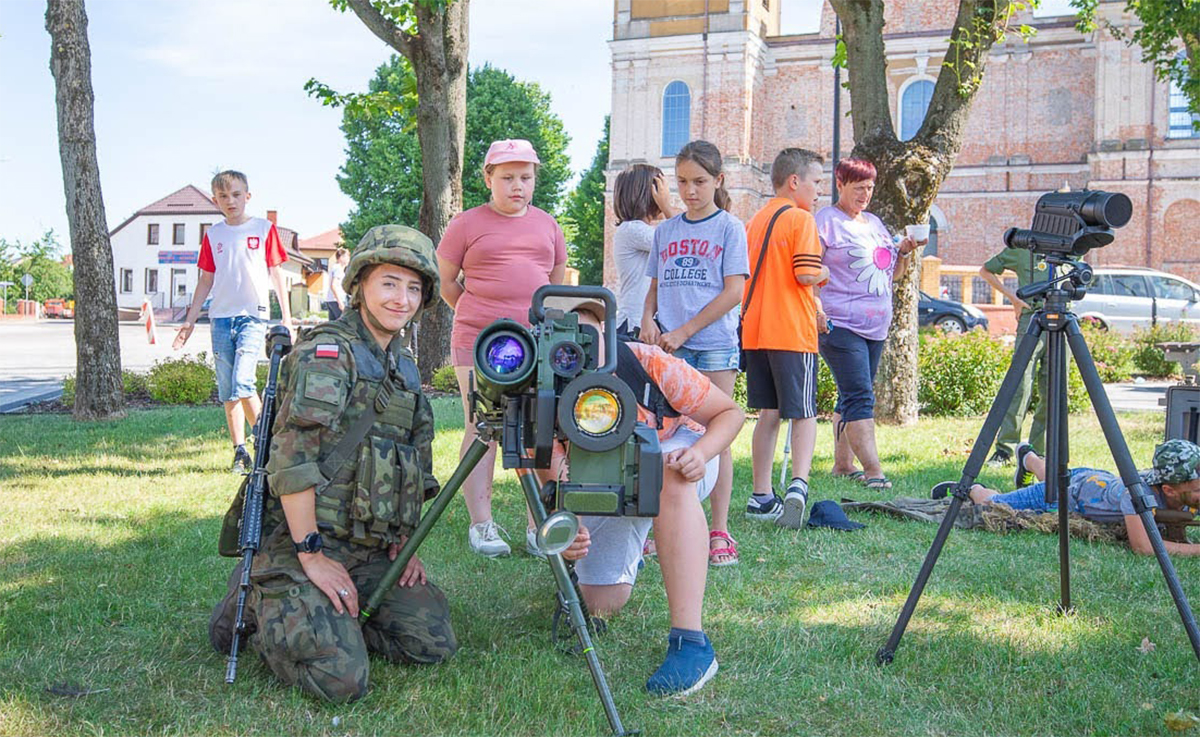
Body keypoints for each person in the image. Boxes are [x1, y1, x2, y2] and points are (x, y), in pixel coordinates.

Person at [208, 225, 457, 702]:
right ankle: (261, 597)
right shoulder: (329, 354)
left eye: (412, 287)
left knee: (432, 642)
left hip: (366, 546)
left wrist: (401, 544)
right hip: (304, 541)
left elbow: (413, 465)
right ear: (361, 283)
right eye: (389, 282)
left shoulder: (403, 367)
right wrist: (312, 555)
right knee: (341, 679)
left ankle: (326, 617)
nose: (401, 299)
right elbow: (293, 458)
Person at [551, 296, 744, 696]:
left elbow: (730, 413)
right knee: (601, 603)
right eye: (566, 335)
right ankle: (639, 545)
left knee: (666, 474)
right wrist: (566, 533)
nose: (582, 348)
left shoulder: (647, 362)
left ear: (607, 335)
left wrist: (700, 455)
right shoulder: (541, 390)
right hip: (605, 480)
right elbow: (547, 492)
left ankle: (691, 643)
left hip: (676, 449)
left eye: (591, 333)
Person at [437, 139, 568, 559]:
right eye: (508, 177)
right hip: (478, 340)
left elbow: (556, 285)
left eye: (525, 178)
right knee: (483, 426)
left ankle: (538, 525)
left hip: (535, 343)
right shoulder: (465, 224)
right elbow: (446, 283)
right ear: (488, 178)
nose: (517, 185)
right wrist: (483, 317)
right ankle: (482, 525)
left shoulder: (548, 225)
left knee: (537, 428)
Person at [640, 140, 749, 566]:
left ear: (718, 181)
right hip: (670, 349)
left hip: (713, 347)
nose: (690, 191)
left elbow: (734, 291)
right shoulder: (665, 231)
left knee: (716, 436)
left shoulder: (729, 228)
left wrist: (686, 330)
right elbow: (653, 287)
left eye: (700, 182)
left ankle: (718, 529)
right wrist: (648, 320)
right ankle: (658, 522)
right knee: (662, 435)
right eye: (682, 182)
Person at [174, 170, 293, 473]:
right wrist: (189, 321)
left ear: (247, 196)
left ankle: (270, 443)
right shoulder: (214, 235)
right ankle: (240, 451)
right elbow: (205, 280)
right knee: (228, 390)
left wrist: (288, 319)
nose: (231, 201)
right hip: (221, 319)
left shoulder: (264, 229)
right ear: (215, 200)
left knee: (243, 382)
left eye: (236, 195)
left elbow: (277, 274)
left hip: (253, 316)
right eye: (224, 196)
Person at [815, 158, 920, 490]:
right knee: (860, 395)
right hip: (839, 323)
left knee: (850, 394)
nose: (865, 195)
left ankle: (843, 465)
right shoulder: (825, 221)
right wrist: (816, 309)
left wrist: (903, 252)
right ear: (840, 184)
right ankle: (874, 471)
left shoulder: (875, 223)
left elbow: (893, 275)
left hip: (875, 326)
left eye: (870, 188)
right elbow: (809, 271)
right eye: (858, 188)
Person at [742, 148, 830, 529]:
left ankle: (760, 496)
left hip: (755, 329)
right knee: (804, 411)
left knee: (768, 414)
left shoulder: (755, 221)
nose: (818, 192)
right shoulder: (801, 219)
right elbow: (806, 274)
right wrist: (825, 271)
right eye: (815, 182)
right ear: (795, 181)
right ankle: (798, 485)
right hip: (792, 330)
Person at [934, 439, 1200, 557]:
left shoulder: (1177, 489)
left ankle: (1029, 459)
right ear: (1169, 490)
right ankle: (970, 488)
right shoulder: (1137, 496)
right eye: (1197, 489)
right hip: (1065, 497)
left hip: (1091, 481)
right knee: (994, 505)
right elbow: (1144, 548)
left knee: (1054, 476)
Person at [977, 247, 1051, 469]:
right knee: (1019, 386)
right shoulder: (1022, 247)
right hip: (1031, 319)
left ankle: (1040, 452)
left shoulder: (1072, 248)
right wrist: (1014, 299)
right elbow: (986, 271)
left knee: (1053, 389)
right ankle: (1005, 449)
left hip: (1062, 321)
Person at [612, 164, 679, 334]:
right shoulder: (632, 230)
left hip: (643, 323)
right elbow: (681, 243)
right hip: (635, 325)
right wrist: (666, 206)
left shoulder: (634, 231)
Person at [323, 246, 350, 319]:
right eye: (347, 257)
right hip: (337, 300)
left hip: (331, 300)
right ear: (341, 257)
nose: (348, 259)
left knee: (333, 325)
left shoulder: (335, 267)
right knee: (342, 324)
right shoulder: (338, 268)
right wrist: (340, 302)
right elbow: (334, 285)